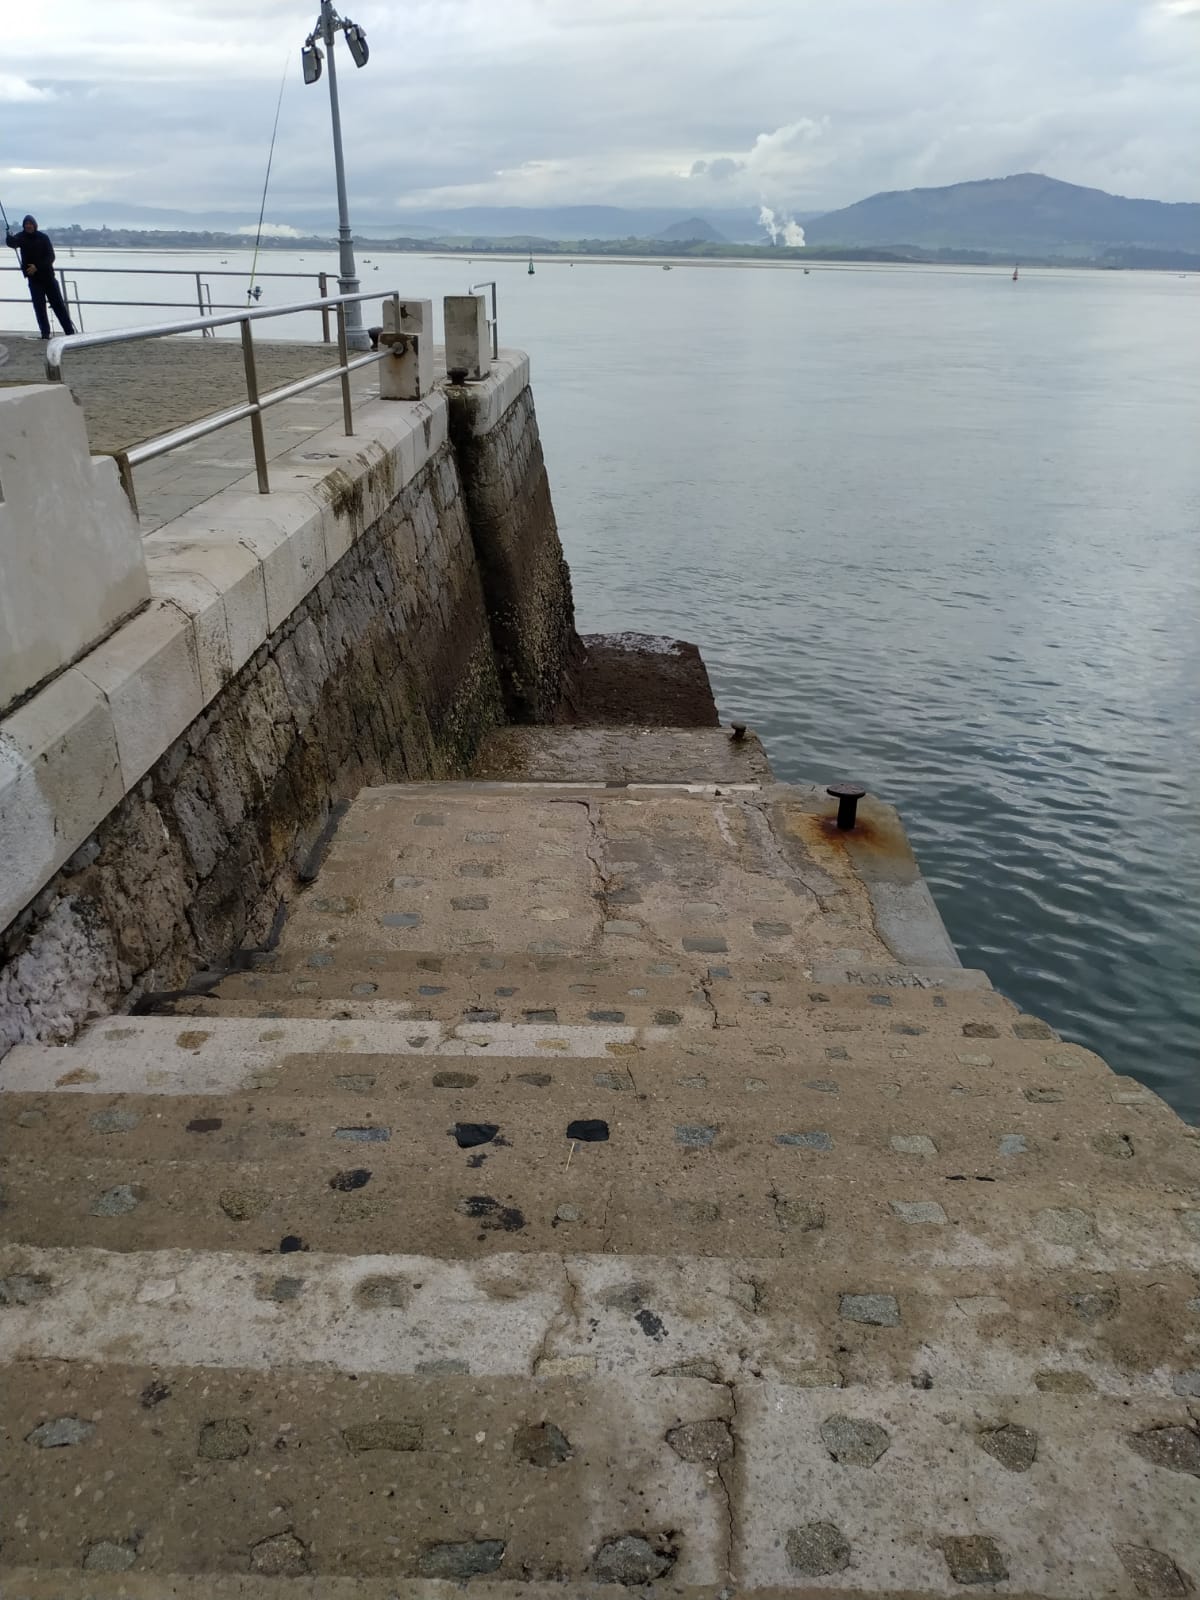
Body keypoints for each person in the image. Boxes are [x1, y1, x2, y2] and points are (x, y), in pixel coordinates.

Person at [5, 215, 75, 339]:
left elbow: (51, 257)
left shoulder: (43, 238)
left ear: (35, 225)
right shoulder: (21, 237)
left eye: (30, 223)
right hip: (34, 280)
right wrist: (8, 235)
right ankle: (45, 334)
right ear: (24, 226)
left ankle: (69, 332)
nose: (28, 226)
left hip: (48, 278)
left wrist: (36, 266)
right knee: (39, 308)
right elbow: (12, 243)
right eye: (26, 224)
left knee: (58, 306)